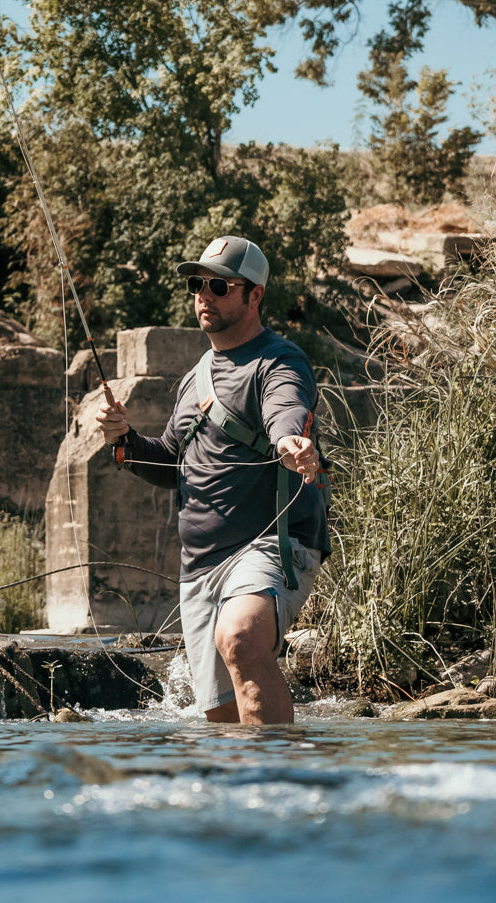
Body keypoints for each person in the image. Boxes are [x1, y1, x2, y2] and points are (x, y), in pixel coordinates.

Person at [96, 235, 330, 724]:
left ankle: (285, 783)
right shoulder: (193, 379)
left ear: (254, 296)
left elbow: (286, 408)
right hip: (200, 568)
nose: (204, 294)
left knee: (241, 637)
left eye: (219, 286)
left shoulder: (280, 361)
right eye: (196, 284)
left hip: (270, 545)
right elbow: (169, 462)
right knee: (222, 722)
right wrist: (125, 440)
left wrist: (291, 442)